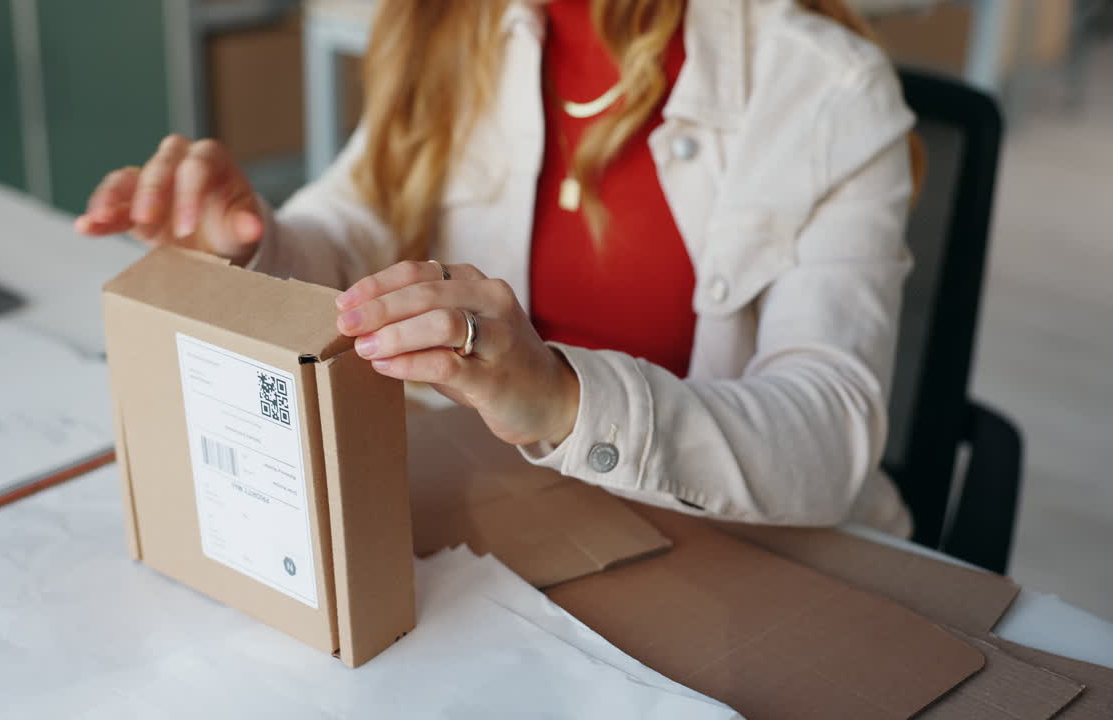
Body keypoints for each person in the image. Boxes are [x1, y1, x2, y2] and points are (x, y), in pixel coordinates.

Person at [77, 0, 922, 535]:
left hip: (745, 547)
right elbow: (352, 233)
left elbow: (828, 435)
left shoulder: (824, 90)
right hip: (511, 517)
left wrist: (560, 396)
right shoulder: (453, 25)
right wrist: (250, 244)